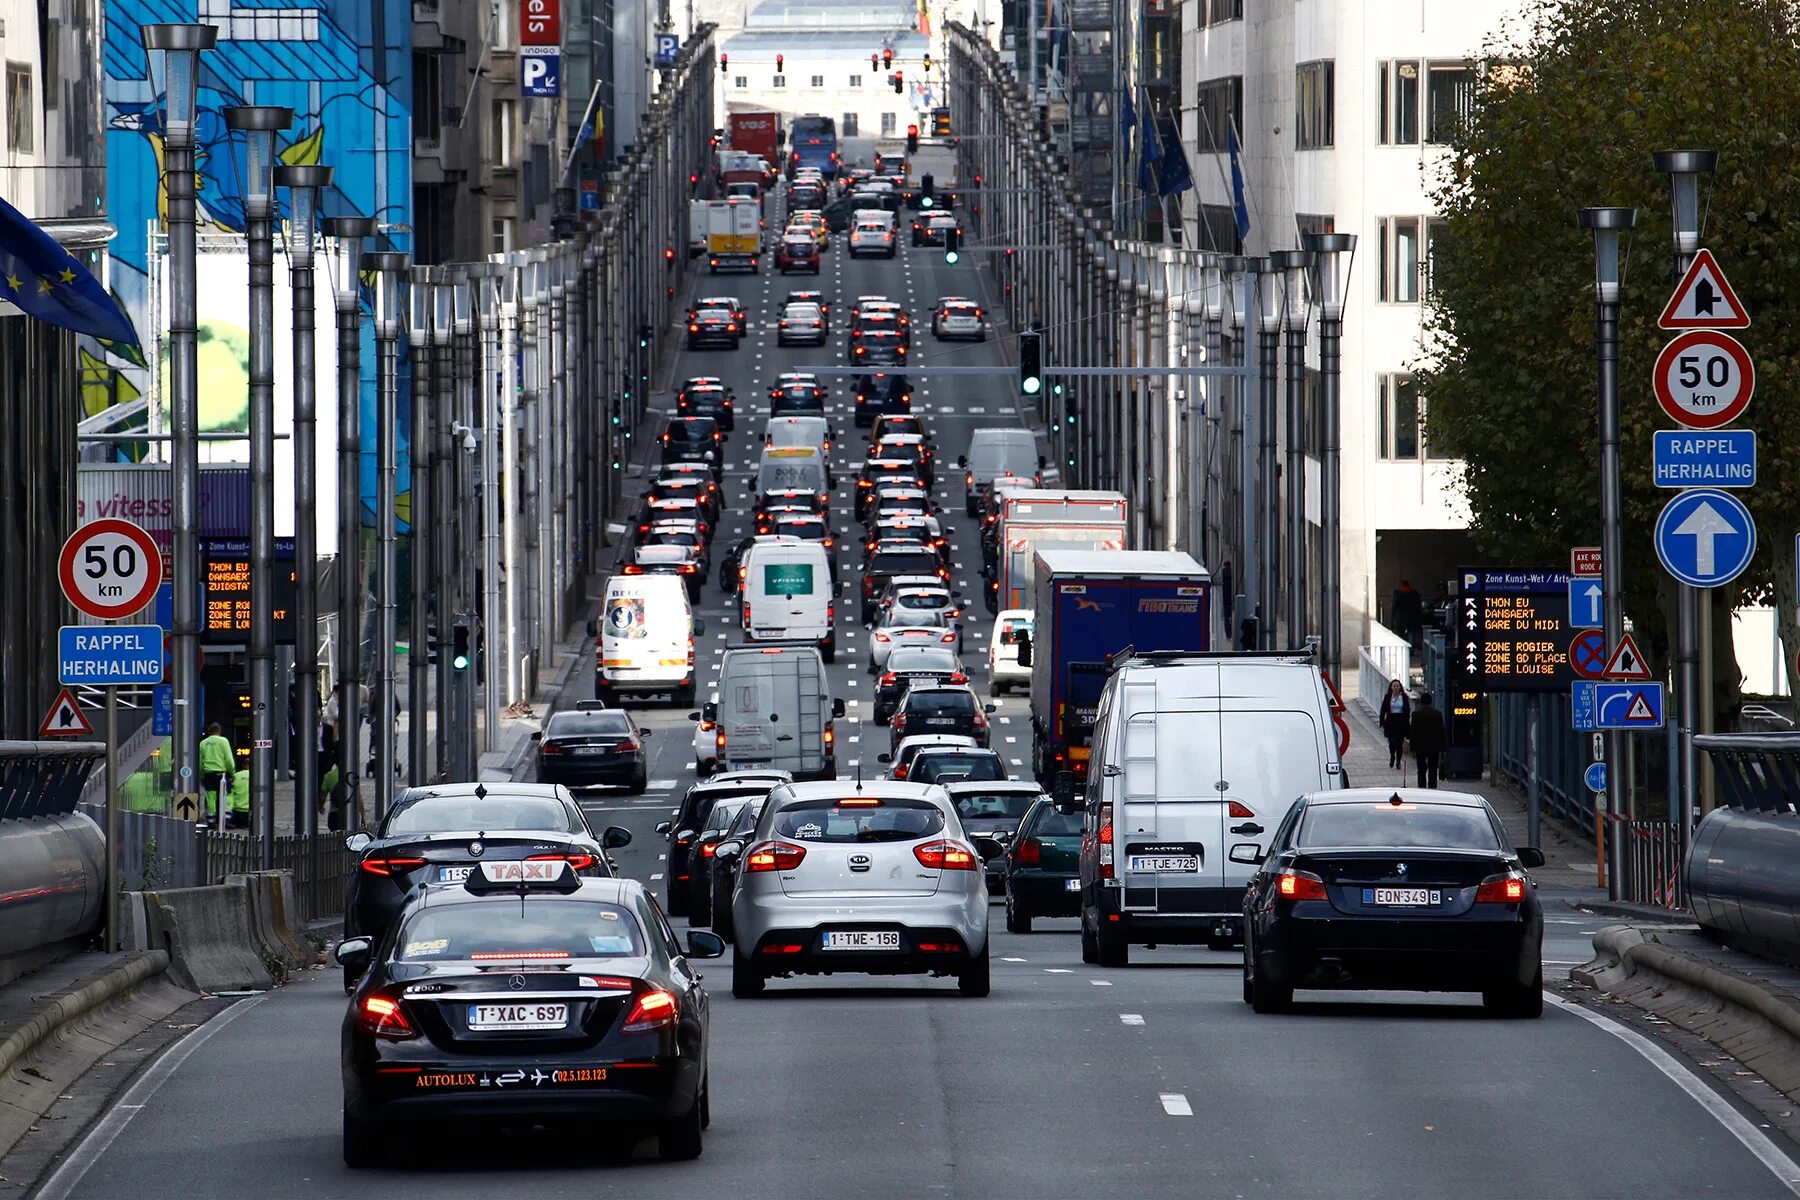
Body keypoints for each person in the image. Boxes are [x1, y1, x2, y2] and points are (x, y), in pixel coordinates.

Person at [1409, 692, 1446, 789]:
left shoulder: (1415, 714)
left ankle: (1422, 788)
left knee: (1421, 769)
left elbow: (1413, 732)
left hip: (1420, 747)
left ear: (1421, 702)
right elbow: (1441, 731)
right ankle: (1432, 788)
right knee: (1433, 769)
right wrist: (1442, 748)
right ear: (1431, 702)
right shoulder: (1437, 714)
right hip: (1434, 747)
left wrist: (1412, 748)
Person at [198, 723, 236, 814]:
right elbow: (228, 760)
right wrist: (232, 772)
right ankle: (224, 818)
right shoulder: (223, 741)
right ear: (219, 731)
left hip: (208, 774)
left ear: (209, 732)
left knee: (211, 798)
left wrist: (201, 774)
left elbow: (200, 761)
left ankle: (211, 819)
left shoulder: (203, 743)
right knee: (224, 796)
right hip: (221, 774)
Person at [1378, 679, 1411, 769]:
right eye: (1394, 686)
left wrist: (1407, 723)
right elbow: (1383, 709)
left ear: (1400, 687)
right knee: (1391, 742)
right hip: (1390, 721)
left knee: (1399, 743)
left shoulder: (1404, 697)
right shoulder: (1388, 697)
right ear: (1391, 687)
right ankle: (1392, 756)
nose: (1396, 688)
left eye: (1397, 686)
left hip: (1401, 721)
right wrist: (1381, 721)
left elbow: (1407, 710)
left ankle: (1398, 761)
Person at [1391, 579, 1423, 645]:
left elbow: (1394, 607)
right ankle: (1411, 650)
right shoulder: (1415, 593)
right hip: (1412, 618)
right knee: (1411, 633)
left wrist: (1392, 620)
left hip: (1400, 618)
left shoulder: (1397, 593)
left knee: (1400, 635)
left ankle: (1401, 648)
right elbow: (1418, 607)